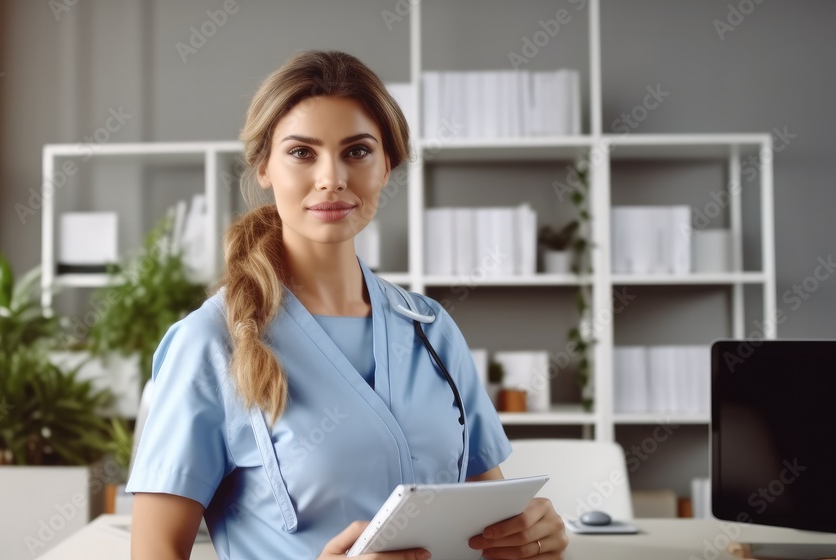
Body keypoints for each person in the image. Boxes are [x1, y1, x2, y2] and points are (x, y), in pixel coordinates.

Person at [126, 50, 569, 560]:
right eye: (302, 152)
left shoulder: (431, 330)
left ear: (387, 166)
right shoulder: (210, 343)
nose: (332, 177)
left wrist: (530, 538)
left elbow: (490, 522)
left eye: (357, 151)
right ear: (264, 166)